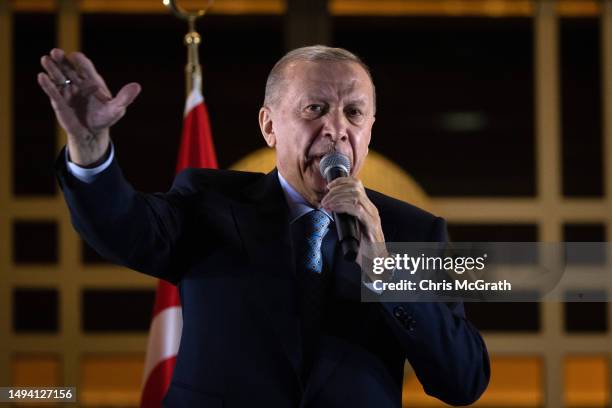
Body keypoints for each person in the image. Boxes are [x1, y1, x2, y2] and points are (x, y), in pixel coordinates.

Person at [39, 45, 490, 407]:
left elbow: (463, 379)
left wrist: (385, 273)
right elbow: (124, 226)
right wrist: (90, 148)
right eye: (315, 108)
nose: (336, 129)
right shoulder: (208, 200)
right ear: (269, 125)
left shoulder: (413, 232)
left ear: (370, 129)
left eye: (354, 113)